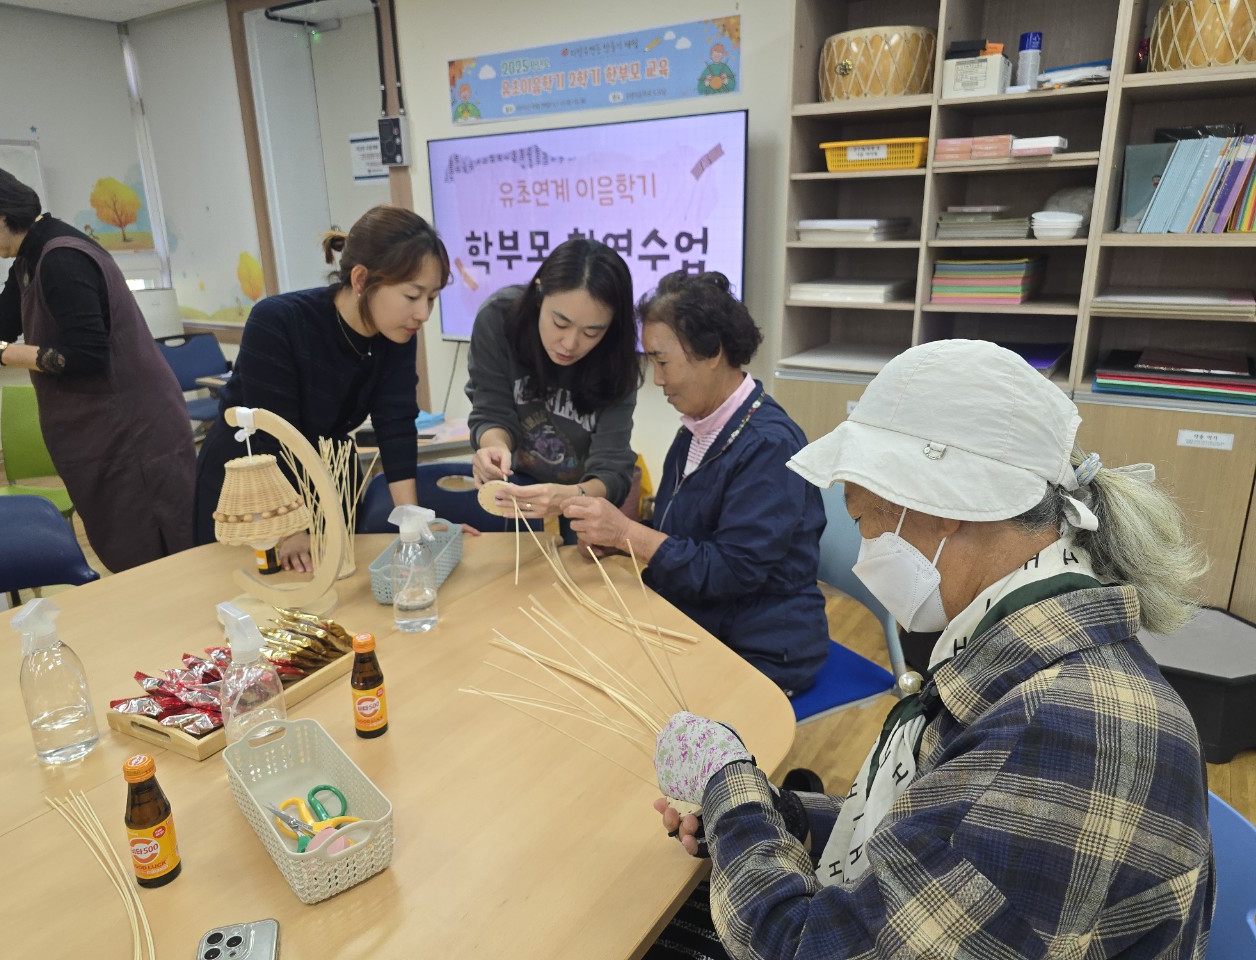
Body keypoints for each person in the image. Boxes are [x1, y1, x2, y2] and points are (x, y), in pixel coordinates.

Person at [649, 339, 1214, 959]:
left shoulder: (1065, 731)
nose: (865, 553)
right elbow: (942, 837)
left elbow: (811, 949)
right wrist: (778, 817)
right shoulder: (1026, 644)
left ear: (944, 507)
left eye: (864, 522)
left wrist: (733, 798)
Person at [567, 270, 829, 694]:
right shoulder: (699, 427)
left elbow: (731, 572)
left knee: (621, 695)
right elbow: (684, 533)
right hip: (700, 618)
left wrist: (629, 534)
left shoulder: (770, 446)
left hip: (759, 644)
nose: (656, 378)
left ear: (711, 352)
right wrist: (615, 538)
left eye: (662, 360)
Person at [193, 205, 449, 569]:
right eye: (412, 296)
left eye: (432, 298)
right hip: (256, 478)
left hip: (329, 471)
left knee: (341, 588)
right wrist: (291, 527)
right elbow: (274, 436)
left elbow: (396, 425)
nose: (423, 313)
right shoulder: (279, 321)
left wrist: (414, 520)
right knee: (249, 591)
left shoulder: (396, 333)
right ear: (361, 280)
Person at [0, 159, 194, 573]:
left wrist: (1, 353)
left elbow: (87, 356)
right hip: (100, 428)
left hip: (133, 432)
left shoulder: (62, 258)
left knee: (154, 553)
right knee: (124, 546)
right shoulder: (28, 258)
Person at [465, 237, 640, 529]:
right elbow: (492, 411)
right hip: (516, 486)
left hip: (581, 501)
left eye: (592, 333)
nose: (570, 344)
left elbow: (612, 469)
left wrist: (569, 497)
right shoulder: (499, 320)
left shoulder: (616, 356)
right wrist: (493, 448)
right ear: (539, 292)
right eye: (560, 323)